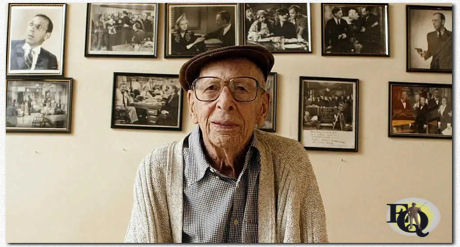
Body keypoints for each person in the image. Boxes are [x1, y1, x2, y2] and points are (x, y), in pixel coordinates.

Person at [124, 45, 328, 243]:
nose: (225, 102)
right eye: (211, 88)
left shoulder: (291, 160)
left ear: (263, 107)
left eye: (241, 88)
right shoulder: (157, 168)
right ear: (192, 106)